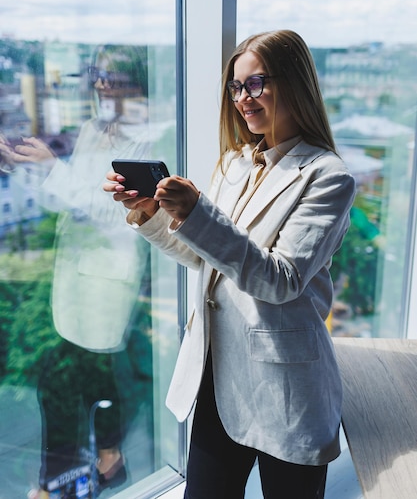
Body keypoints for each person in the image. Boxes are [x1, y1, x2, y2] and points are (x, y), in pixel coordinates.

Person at [103, 29, 356, 499]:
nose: (243, 98)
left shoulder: (328, 177)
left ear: (294, 82)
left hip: (286, 387)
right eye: (236, 87)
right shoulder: (233, 165)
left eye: (256, 83)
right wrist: (158, 213)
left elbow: (281, 281)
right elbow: (203, 260)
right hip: (217, 376)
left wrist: (198, 213)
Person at [1, 44, 154, 498]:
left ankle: (56, 482)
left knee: (60, 382)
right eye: (98, 76)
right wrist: (31, 169)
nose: (103, 86)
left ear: (137, 85)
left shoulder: (148, 140)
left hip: (107, 280)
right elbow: (69, 202)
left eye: (114, 78)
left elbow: (115, 215)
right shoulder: (92, 128)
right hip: (74, 273)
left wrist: (52, 169)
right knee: (93, 377)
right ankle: (110, 458)